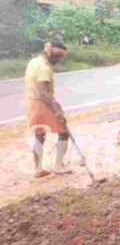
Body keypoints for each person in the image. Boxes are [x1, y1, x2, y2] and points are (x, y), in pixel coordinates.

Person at [25, 40, 69, 178]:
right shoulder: (45, 68)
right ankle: (58, 166)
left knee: (39, 135)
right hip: (43, 104)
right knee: (64, 132)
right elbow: (44, 93)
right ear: (49, 52)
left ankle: (38, 169)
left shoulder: (34, 62)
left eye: (61, 57)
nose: (59, 60)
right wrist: (57, 112)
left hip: (32, 103)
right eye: (57, 56)